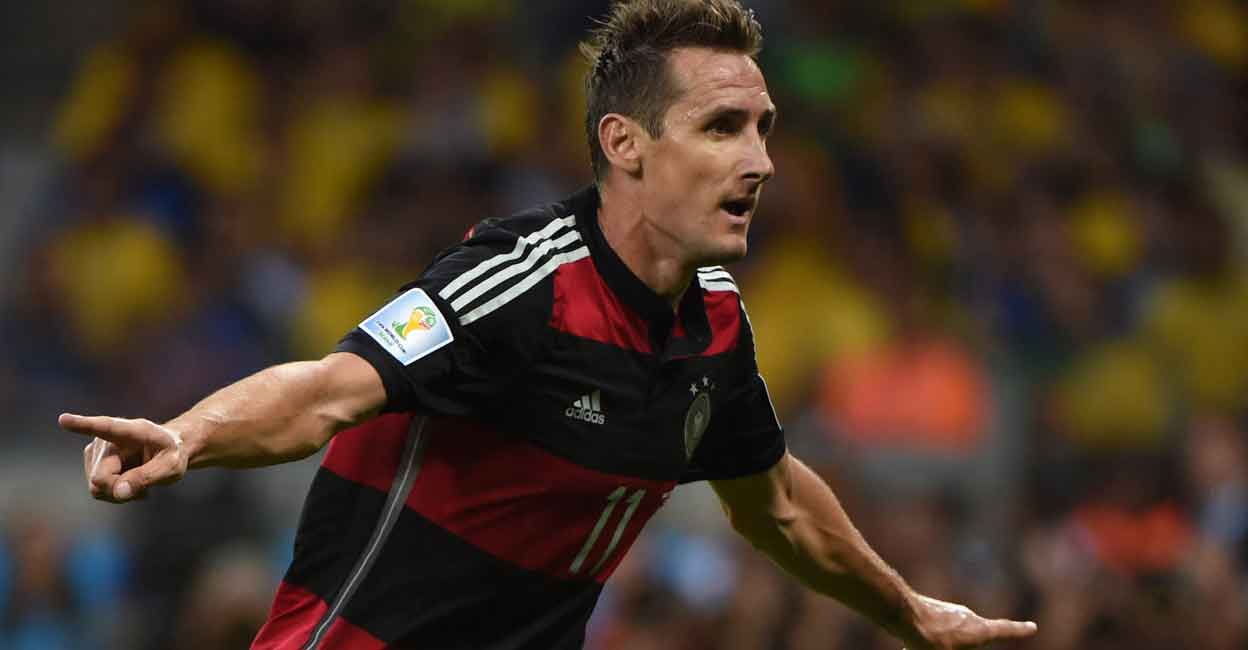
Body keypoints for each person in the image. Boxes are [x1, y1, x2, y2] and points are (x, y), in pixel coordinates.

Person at [61, 1, 1039, 648]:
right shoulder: (520, 279)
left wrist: (911, 613)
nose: (761, 163)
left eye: (764, 129)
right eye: (721, 127)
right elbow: (326, 391)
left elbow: (776, 503)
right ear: (625, 144)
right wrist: (187, 434)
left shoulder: (714, 326)